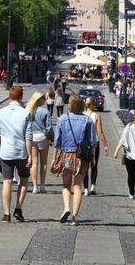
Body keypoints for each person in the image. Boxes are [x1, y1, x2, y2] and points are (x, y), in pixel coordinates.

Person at [52, 95, 96, 226]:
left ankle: (66, 208)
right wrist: (93, 158)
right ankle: (74, 217)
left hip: (66, 156)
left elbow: (57, 142)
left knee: (66, 185)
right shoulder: (88, 120)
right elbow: (93, 142)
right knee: (77, 186)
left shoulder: (63, 119)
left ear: (70, 105)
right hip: (81, 158)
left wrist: (54, 158)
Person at [0, 86, 33, 223]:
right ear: (21, 97)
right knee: (24, 180)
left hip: (6, 152)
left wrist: (2, 140)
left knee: (7, 181)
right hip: (21, 152)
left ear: (9, 96)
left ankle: (6, 214)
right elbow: (28, 136)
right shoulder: (26, 113)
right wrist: (30, 155)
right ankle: (18, 209)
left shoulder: (0, 113)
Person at [26, 91, 53, 194]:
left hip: (31, 137)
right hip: (42, 137)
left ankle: (35, 186)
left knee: (34, 163)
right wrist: (51, 137)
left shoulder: (28, 110)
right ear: (39, 100)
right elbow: (48, 128)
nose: (45, 100)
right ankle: (42, 185)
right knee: (43, 162)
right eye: (43, 99)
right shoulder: (45, 111)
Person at [83, 98, 109, 196]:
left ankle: (85, 189)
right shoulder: (96, 116)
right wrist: (105, 145)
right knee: (94, 164)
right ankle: (93, 186)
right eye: (94, 104)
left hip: (84, 143)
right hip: (95, 142)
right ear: (91, 105)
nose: (95, 106)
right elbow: (100, 132)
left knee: (84, 166)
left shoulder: (81, 115)